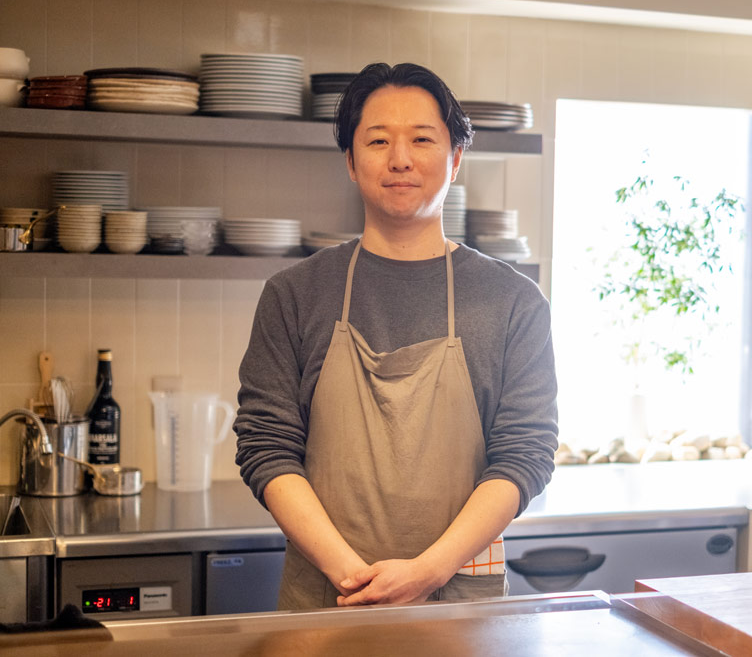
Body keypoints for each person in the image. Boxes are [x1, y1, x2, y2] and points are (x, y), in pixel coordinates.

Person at [234, 62, 558, 609]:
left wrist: (428, 572)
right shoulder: (294, 295)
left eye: (423, 139)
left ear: (455, 159)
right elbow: (266, 447)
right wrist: (352, 576)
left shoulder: (512, 302)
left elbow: (525, 454)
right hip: (327, 602)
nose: (400, 159)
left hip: (459, 603)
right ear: (351, 163)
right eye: (378, 140)